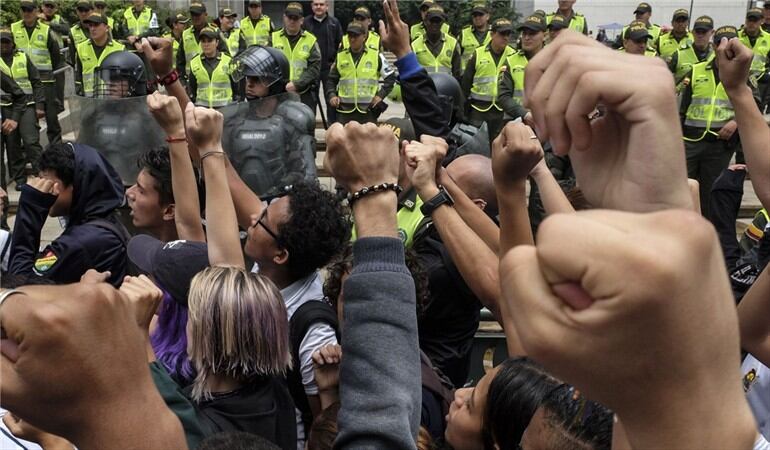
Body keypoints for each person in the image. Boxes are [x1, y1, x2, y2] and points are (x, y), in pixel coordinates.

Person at [9, 143, 128, 286]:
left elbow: (19, 287)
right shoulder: (102, 221)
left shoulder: (82, 241)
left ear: (75, 186)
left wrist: (30, 209)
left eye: (49, 183)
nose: (44, 190)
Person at [680, 26, 749, 219]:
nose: (725, 48)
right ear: (714, 44)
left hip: (720, 144)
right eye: (720, 42)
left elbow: (755, 105)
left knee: (711, 192)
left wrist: (736, 121)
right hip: (691, 140)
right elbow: (681, 109)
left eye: (731, 42)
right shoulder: (696, 70)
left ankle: (707, 231)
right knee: (682, 187)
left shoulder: (743, 72)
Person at [11, 0, 62, 144]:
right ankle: (29, 154)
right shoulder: (13, 29)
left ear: (36, 11)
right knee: (25, 120)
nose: (27, 13)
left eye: (30, 9)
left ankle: (56, 152)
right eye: (24, 9)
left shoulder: (46, 30)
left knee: (51, 118)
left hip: (45, 82)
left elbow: (55, 56)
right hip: (23, 83)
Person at [0, 28, 44, 190]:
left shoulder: (22, 57)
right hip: (4, 108)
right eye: (1, 42)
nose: (3, 45)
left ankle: (42, 173)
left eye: (6, 42)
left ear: (12, 43)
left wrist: (40, 105)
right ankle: (19, 178)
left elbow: (36, 82)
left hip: (27, 105)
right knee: (12, 146)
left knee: (31, 141)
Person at [461, 18, 517, 145]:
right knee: (475, 146)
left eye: (508, 34)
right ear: (492, 34)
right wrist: (462, 111)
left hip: (501, 112)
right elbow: (465, 84)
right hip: (478, 110)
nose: (506, 38)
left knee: (499, 147)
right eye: (502, 34)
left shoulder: (513, 55)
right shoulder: (478, 54)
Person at [327, 22, 394, 124]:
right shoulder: (341, 56)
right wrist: (332, 95)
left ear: (364, 37)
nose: (352, 39)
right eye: (350, 36)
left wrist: (380, 95)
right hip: (344, 111)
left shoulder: (375, 55)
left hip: (367, 111)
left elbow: (391, 77)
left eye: (356, 36)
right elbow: (331, 80)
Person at [272, 2, 322, 114]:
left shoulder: (311, 40)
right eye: (290, 17)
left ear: (302, 20)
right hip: (278, 93)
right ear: (284, 18)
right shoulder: (273, 38)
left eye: (296, 18)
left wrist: (297, 84)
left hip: (303, 93)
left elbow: (315, 67)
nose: (292, 21)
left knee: (304, 127)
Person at [498, 14, 546, 123]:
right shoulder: (510, 61)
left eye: (532, 34)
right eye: (524, 33)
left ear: (545, 35)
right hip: (516, 123)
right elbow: (504, 97)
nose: (527, 38)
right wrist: (525, 114)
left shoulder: (554, 61)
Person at [304, 0, 343, 123]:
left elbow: (341, 45)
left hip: (329, 68)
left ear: (327, 6)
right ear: (312, 6)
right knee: (310, 102)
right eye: (316, 4)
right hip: (311, 69)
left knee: (331, 101)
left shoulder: (334, 23)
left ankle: (332, 131)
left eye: (321, 4)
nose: (318, 7)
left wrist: (336, 63)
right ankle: (309, 132)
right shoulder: (305, 23)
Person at [74, 12, 125, 97]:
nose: (93, 29)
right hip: (89, 101)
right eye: (90, 25)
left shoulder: (119, 49)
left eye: (96, 25)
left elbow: (124, 80)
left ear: (106, 28)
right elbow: (78, 77)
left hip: (112, 100)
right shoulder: (80, 48)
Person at [189, 26, 239, 108]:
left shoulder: (229, 61)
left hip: (225, 111)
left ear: (217, 42)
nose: (206, 44)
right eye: (203, 41)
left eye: (209, 41)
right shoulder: (194, 63)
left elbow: (236, 89)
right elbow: (193, 89)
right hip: (203, 112)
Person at [411, 5, 461, 80]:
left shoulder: (453, 43)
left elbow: (457, 73)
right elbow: (411, 73)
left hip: (447, 89)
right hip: (424, 90)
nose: (434, 24)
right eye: (431, 20)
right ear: (425, 21)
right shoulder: (415, 45)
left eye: (438, 21)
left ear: (443, 22)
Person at [179, 2, 228, 77]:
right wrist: (182, 81)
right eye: (193, 14)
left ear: (205, 15)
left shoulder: (215, 31)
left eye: (198, 14)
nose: (195, 17)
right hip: (191, 80)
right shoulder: (185, 34)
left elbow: (226, 54)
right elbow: (180, 61)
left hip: (212, 77)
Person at [668, 15, 714, 90]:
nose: (700, 35)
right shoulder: (679, 54)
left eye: (704, 32)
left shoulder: (716, 56)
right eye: (698, 32)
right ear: (692, 32)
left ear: (712, 33)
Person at [38, 0, 69, 110]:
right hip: (41, 57)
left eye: (52, 6)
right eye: (47, 6)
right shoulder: (35, 18)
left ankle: (60, 107)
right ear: (42, 7)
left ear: (55, 8)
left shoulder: (58, 19)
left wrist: (49, 24)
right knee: (42, 85)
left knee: (59, 84)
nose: (49, 8)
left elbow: (66, 29)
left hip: (58, 55)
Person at [739, 7, 770, 108]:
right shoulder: (736, 36)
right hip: (740, 80)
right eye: (749, 20)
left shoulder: (768, 38)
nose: (751, 23)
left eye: (755, 20)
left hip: (760, 82)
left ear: (762, 21)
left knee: (757, 110)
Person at [458, 3, 490, 71]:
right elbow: (456, 56)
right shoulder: (464, 33)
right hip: (466, 75)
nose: (477, 18)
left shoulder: (495, 33)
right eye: (475, 15)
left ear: (487, 16)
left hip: (487, 74)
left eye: (481, 15)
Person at [66, 0, 93, 68]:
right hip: (81, 71)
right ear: (77, 12)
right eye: (81, 10)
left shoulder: (100, 27)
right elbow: (72, 57)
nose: (83, 13)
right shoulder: (72, 31)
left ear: (92, 11)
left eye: (86, 10)